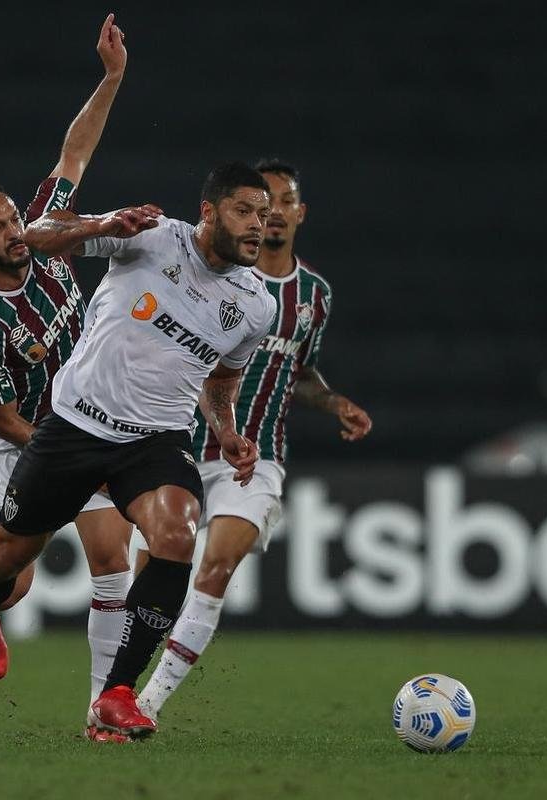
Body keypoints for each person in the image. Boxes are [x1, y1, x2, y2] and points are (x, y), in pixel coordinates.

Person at [0, 158, 278, 743]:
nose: (256, 226)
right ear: (209, 211)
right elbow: (36, 234)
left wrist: (229, 431)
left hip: (157, 439)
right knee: (6, 562)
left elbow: (219, 383)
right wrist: (105, 221)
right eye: (244, 211)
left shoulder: (255, 305)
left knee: (177, 533)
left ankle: (115, 693)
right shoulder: (152, 238)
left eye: (263, 216)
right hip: (75, 426)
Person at [0, 14, 140, 743]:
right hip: (24, 443)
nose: (15, 231)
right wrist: (65, 448)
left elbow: (74, 150)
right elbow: (2, 415)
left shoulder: (44, 238)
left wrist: (111, 76)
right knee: (12, 581)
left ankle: (102, 711)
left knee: (114, 559)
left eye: (14, 217)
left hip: (90, 428)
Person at [134, 160, 373, 722]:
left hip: (257, 458)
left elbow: (302, 372)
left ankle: (150, 702)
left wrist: (335, 401)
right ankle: (115, 688)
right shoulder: (211, 277)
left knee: (214, 568)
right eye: (260, 205)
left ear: (298, 213)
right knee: (149, 581)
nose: (273, 215)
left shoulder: (314, 295)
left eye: (284, 202)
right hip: (182, 447)